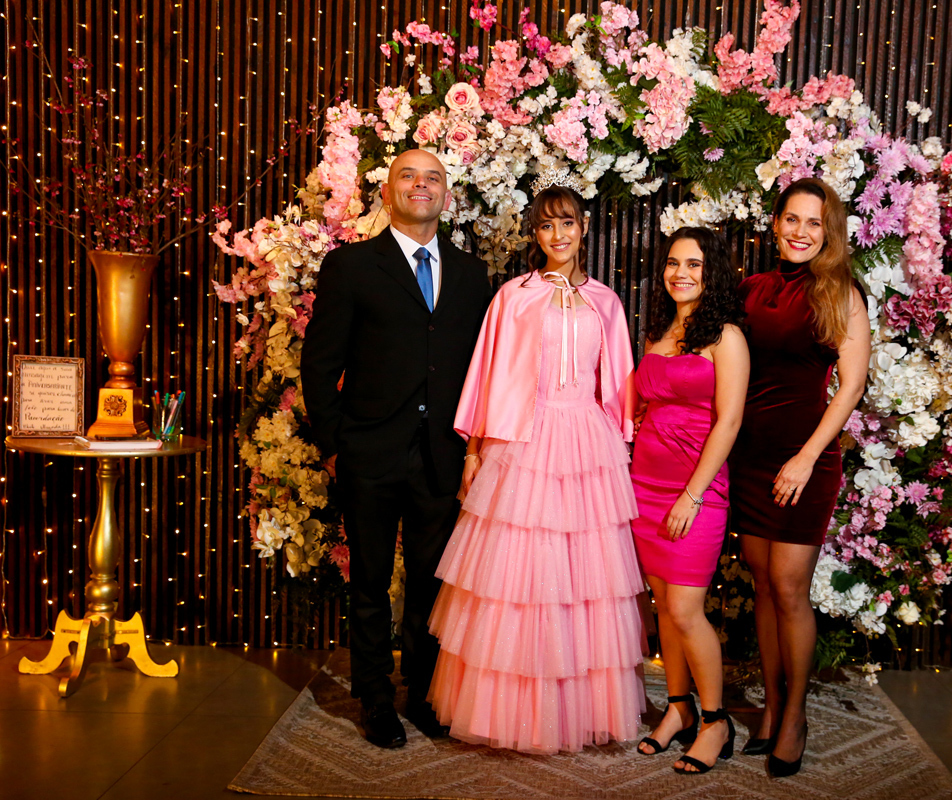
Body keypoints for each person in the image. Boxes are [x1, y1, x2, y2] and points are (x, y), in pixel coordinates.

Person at [426, 169, 645, 753]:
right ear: (536, 234)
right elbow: (488, 372)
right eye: (547, 226)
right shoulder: (513, 297)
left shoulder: (605, 301)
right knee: (518, 576)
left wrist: (623, 447)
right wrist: (474, 447)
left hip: (587, 442)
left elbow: (619, 379)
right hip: (523, 439)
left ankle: (578, 708)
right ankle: (511, 712)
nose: (558, 234)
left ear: (584, 227)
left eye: (567, 223)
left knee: (584, 579)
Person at [300, 149, 492, 747]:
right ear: (388, 193)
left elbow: (481, 369)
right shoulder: (352, 266)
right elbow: (319, 363)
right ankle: (375, 696)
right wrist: (334, 446)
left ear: (446, 196)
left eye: (433, 178)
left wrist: (475, 448)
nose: (420, 185)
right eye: (408, 175)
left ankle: (425, 692)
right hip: (370, 452)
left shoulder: (472, 274)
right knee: (370, 581)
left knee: (433, 582)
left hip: (443, 455)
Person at [728, 177, 870, 778]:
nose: (800, 232)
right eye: (792, 219)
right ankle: (770, 704)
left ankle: (795, 716)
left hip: (804, 458)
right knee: (762, 584)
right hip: (749, 454)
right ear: (776, 222)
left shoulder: (841, 293)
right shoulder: (750, 289)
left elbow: (851, 387)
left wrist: (808, 457)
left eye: (814, 222)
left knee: (789, 588)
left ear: (828, 231)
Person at [630, 227, 749, 774]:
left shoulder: (726, 337)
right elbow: (646, 404)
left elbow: (729, 421)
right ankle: (678, 708)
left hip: (694, 493)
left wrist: (692, 495)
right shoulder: (659, 332)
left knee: (684, 609)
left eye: (694, 264)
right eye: (674, 263)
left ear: (712, 272)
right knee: (664, 609)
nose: (681, 273)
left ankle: (715, 720)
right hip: (644, 488)